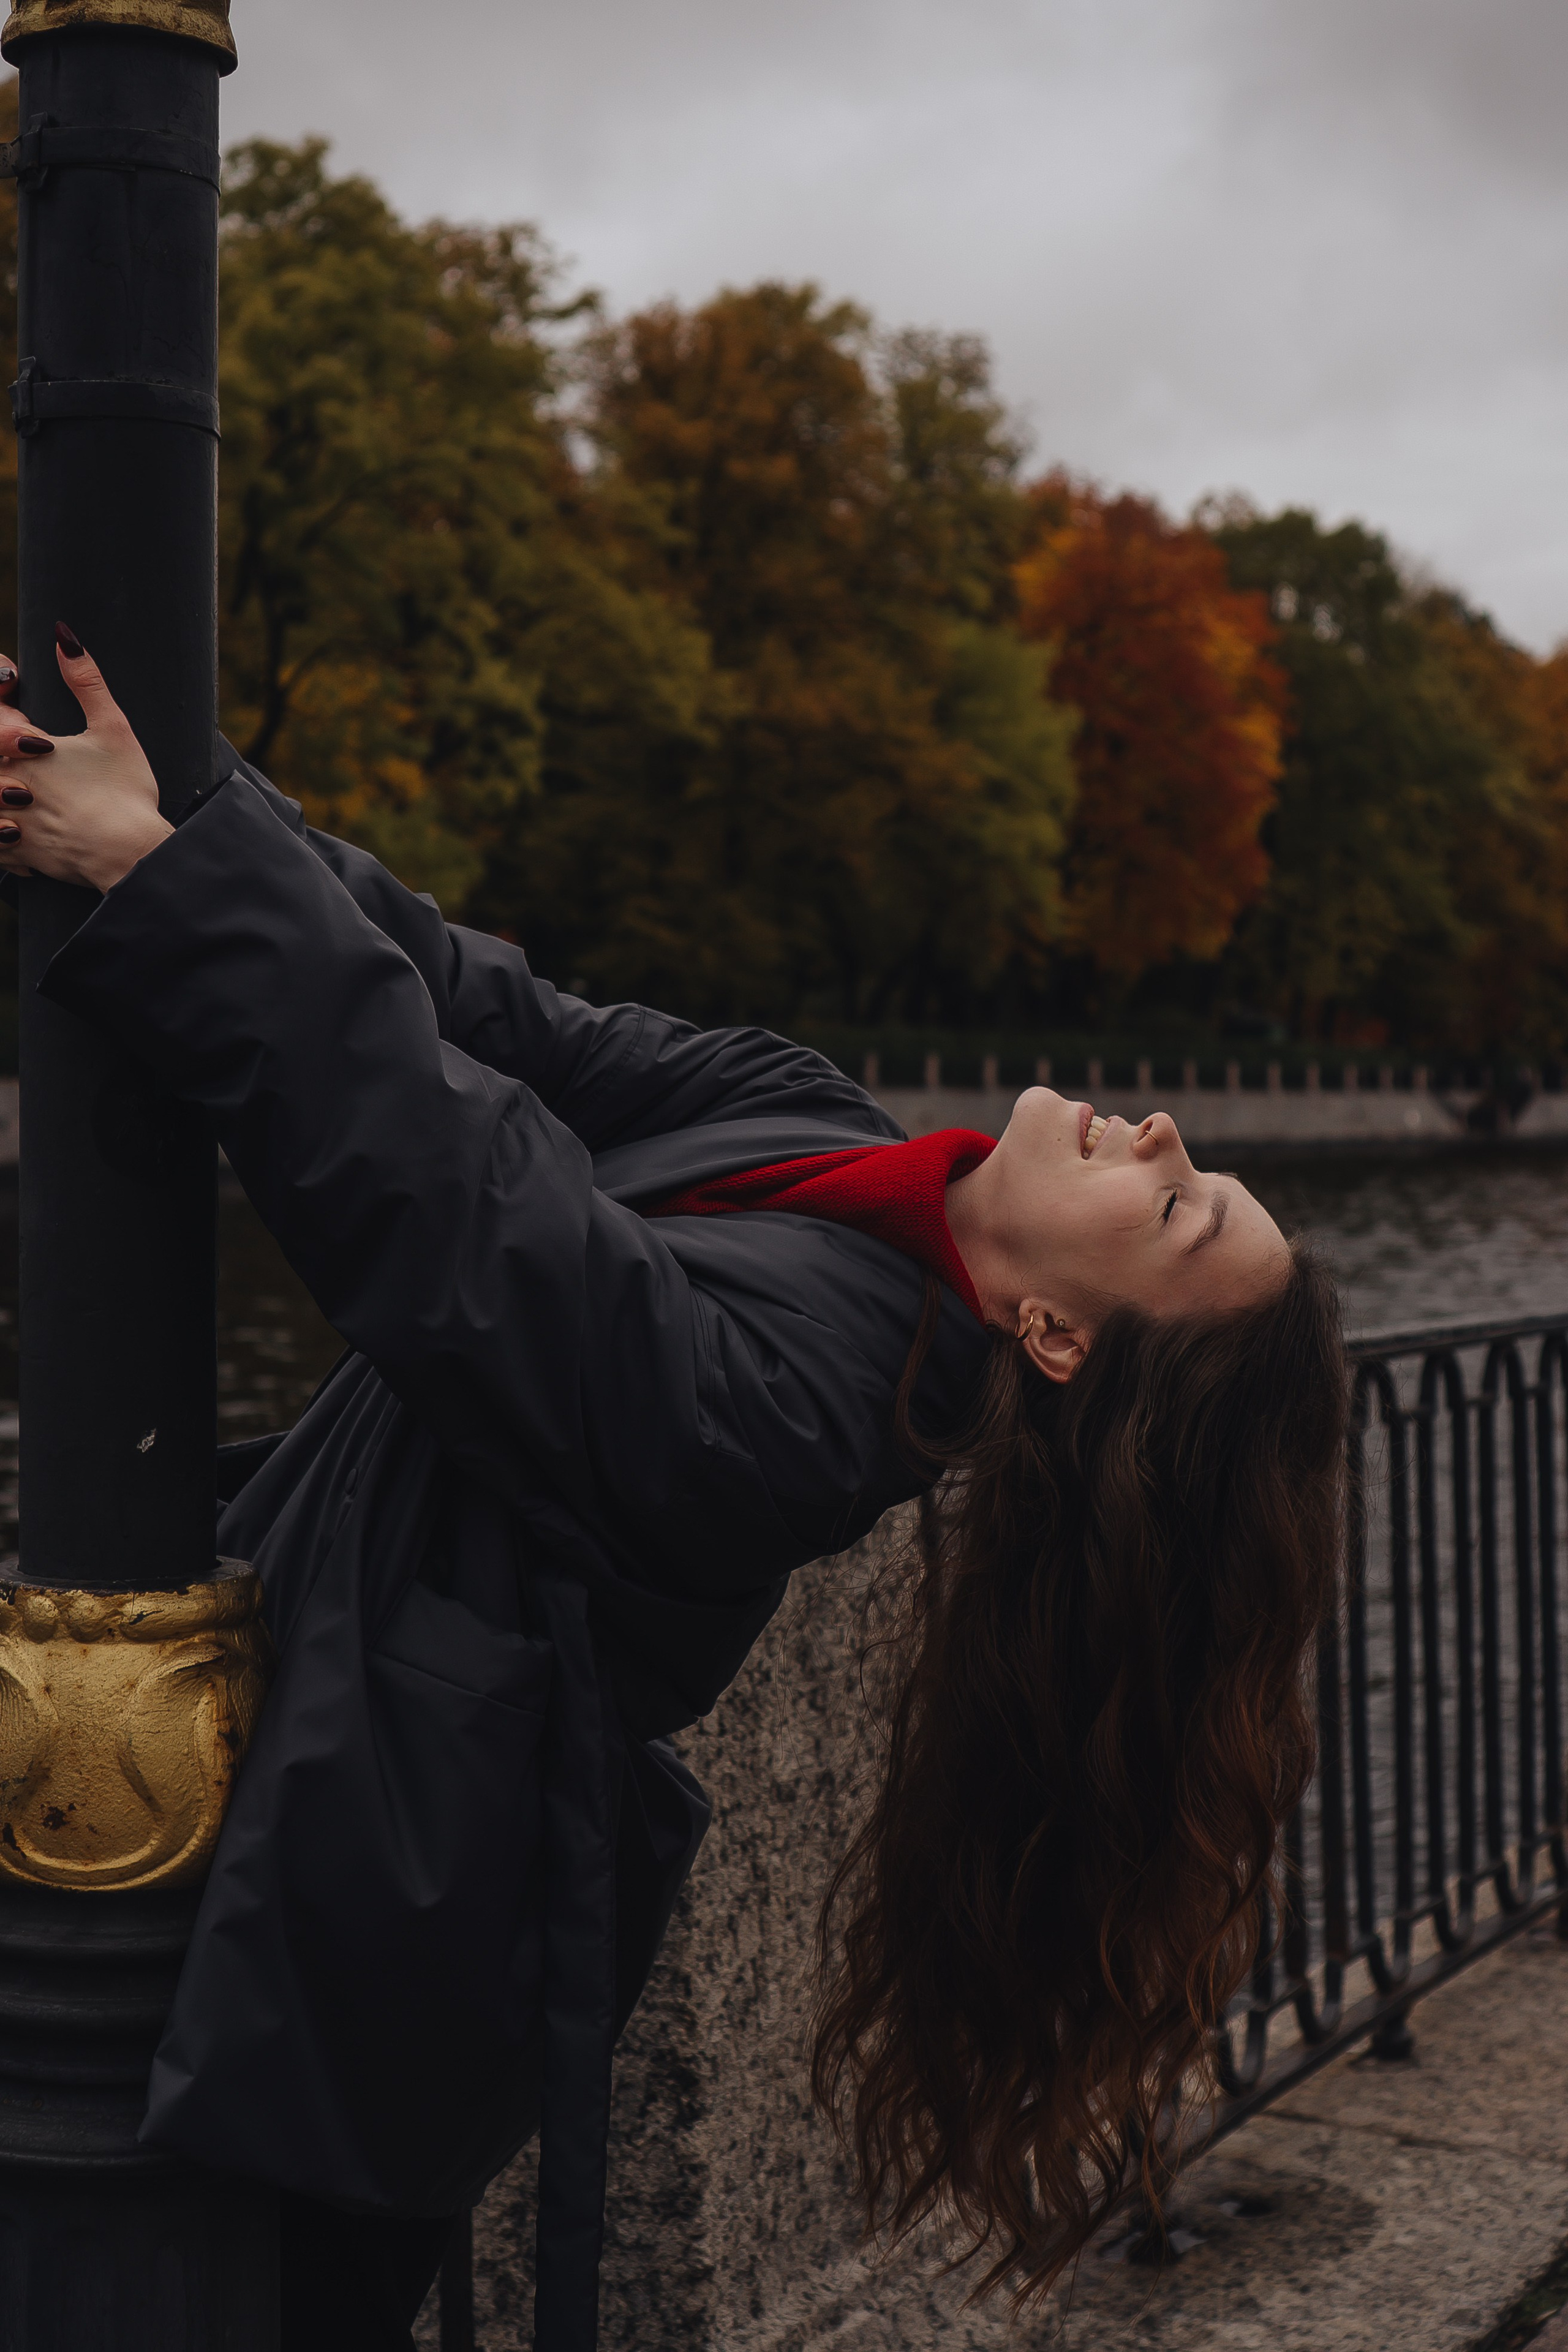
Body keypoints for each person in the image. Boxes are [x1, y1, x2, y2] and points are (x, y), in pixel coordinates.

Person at [0, 631, 1349, 2349]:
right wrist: (182, 796)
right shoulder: (827, 1126)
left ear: (1057, 1338)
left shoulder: (806, 1418)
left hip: (325, 1930)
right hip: (243, 1766)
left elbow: (470, 1218)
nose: (1160, 1137)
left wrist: (170, 878)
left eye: (1178, 1213)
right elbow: (489, 1019)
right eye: (1197, 1168)